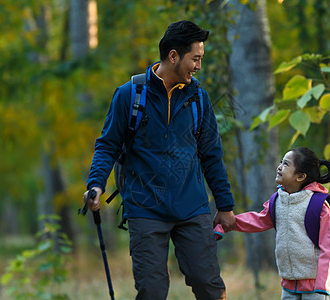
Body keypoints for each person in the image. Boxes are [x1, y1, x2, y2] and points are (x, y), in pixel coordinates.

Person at [84, 20, 236, 300]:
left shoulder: (199, 100)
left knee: (209, 285)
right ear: (173, 56)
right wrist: (96, 184)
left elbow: (212, 155)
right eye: (195, 59)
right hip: (145, 209)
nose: (198, 66)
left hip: (192, 207)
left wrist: (225, 205)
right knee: (151, 291)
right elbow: (107, 146)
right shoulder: (129, 96)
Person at [215, 147, 330, 299]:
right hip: (288, 285)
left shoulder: (318, 206)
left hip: (315, 287)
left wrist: (323, 285)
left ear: (300, 176)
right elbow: (257, 220)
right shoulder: (277, 201)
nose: (279, 167)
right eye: (281, 162)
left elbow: (329, 247)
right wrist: (226, 224)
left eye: (286, 164)